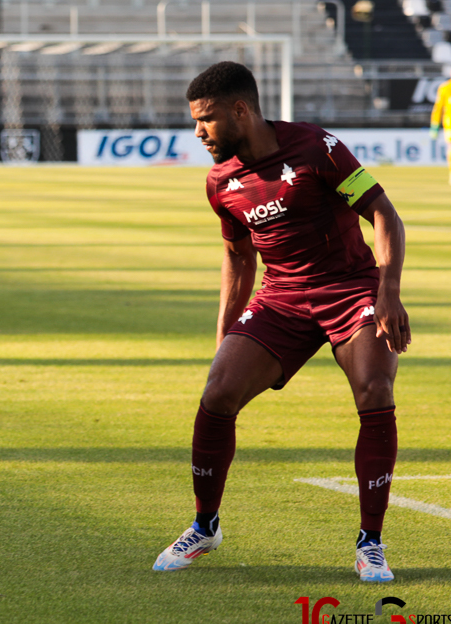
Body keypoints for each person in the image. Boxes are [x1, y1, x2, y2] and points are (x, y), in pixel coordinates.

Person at [152, 62, 410, 582]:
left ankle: (371, 543)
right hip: (281, 297)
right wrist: (226, 333)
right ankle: (205, 525)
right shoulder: (220, 182)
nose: (197, 132)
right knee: (219, 391)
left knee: (375, 389)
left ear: (241, 110)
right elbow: (239, 258)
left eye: (206, 120)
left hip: (350, 287)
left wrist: (388, 293)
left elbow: (385, 214)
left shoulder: (319, 147)